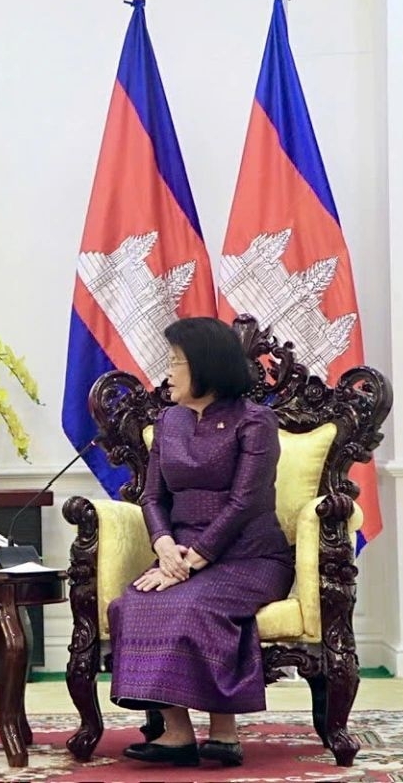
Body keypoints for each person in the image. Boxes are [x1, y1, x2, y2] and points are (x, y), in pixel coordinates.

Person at [106, 317, 295, 768]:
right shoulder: (168, 421)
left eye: (177, 363)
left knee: (193, 606)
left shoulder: (255, 422)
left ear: (206, 368)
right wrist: (165, 546)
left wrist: (195, 560)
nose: (168, 373)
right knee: (133, 603)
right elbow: (152, 496)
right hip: (181, 552)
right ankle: (178, 733)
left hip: (250, 556)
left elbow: (246, 501)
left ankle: (225, 732)